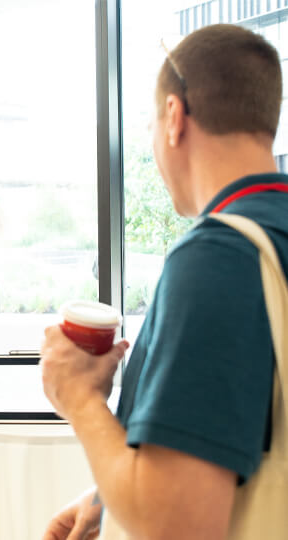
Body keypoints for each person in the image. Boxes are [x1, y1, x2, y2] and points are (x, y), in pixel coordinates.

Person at [41, 23, 288, 540]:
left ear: (174, 118)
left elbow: (178, 525)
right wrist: (108, 499)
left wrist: (78, 397)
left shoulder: (220, 255)